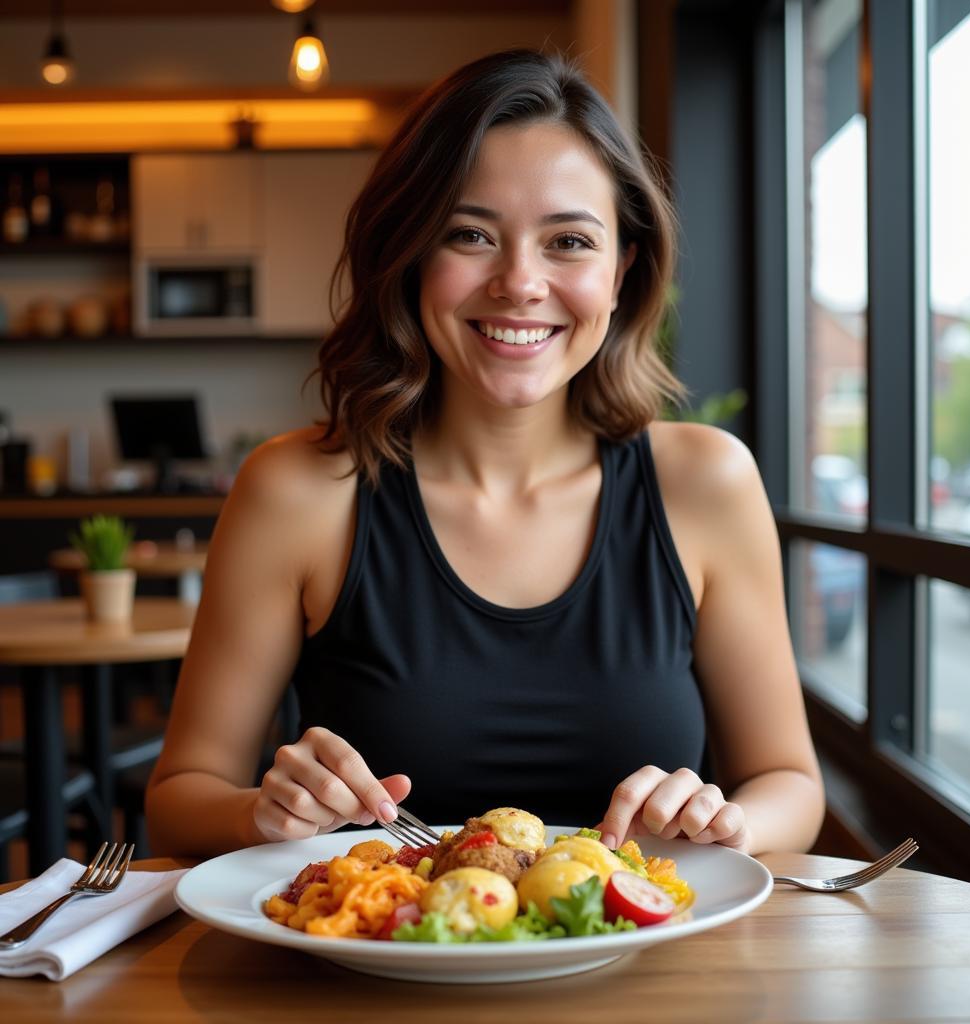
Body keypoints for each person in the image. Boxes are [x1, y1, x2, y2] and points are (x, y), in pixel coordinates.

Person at [146, 50, 824, 859]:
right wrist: (259, 811)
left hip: (649, 975)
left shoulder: (705, 482)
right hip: (368, 975)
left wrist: (730, 823)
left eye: (569, 241)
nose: (519, 283)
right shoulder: (298, 489)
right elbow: (180, 797)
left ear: (621, 271)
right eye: (469, 234)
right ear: (408, 256)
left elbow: (790, 781)